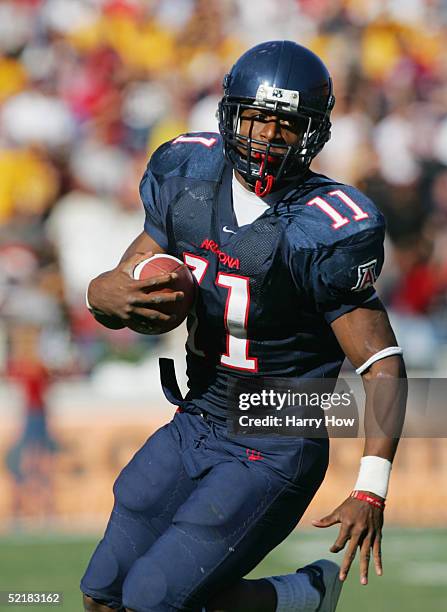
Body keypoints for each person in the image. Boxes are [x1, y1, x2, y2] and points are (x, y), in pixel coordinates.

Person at [81, 41, 407, 612]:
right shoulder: (187, 174)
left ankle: (295, 596)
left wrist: (370, 489)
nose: (265, 137)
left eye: (284, 125)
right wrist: (101, 292)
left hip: (274, 443)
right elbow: (130, 277)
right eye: (255, 118)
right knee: (104, 596)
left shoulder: (325, 226)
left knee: (152, 602)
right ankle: (300, 597)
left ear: (313, 132)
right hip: (197, 417)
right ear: (230, 114)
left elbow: (381, 366)